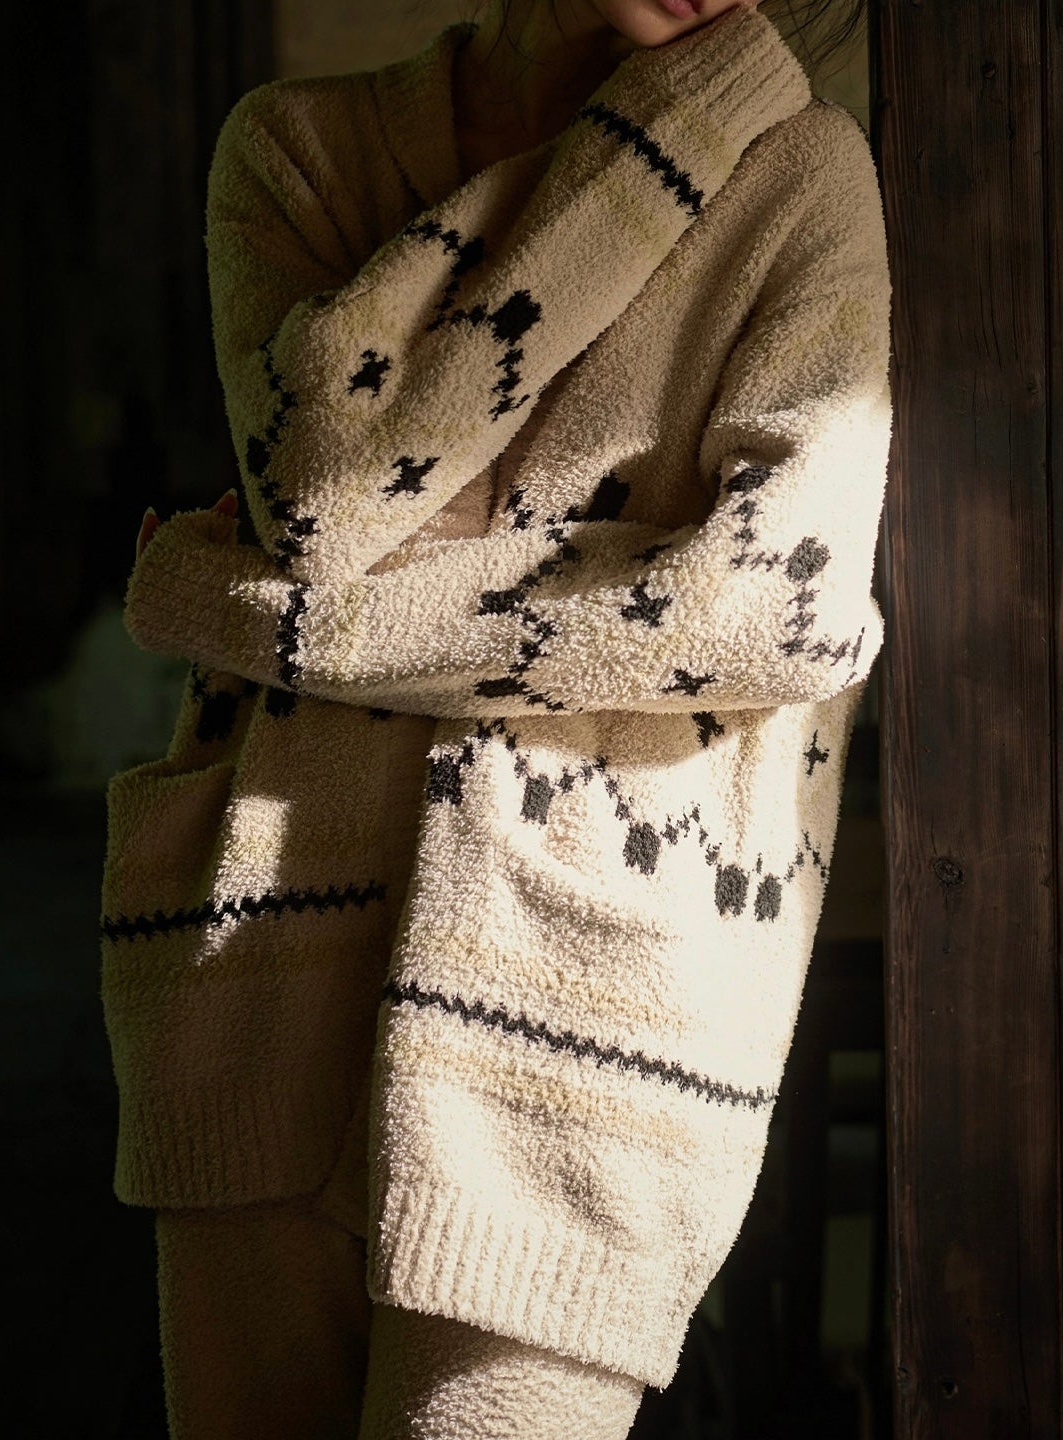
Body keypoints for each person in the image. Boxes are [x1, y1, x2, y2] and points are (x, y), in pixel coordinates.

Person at [106, 0, 891, 1434]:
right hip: (260, 973)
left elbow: (776, 608)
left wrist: (258, 614)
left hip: (586, 1023)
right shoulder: (299, 151)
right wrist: (648, 146)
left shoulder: (796, 171)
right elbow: (330, 496)